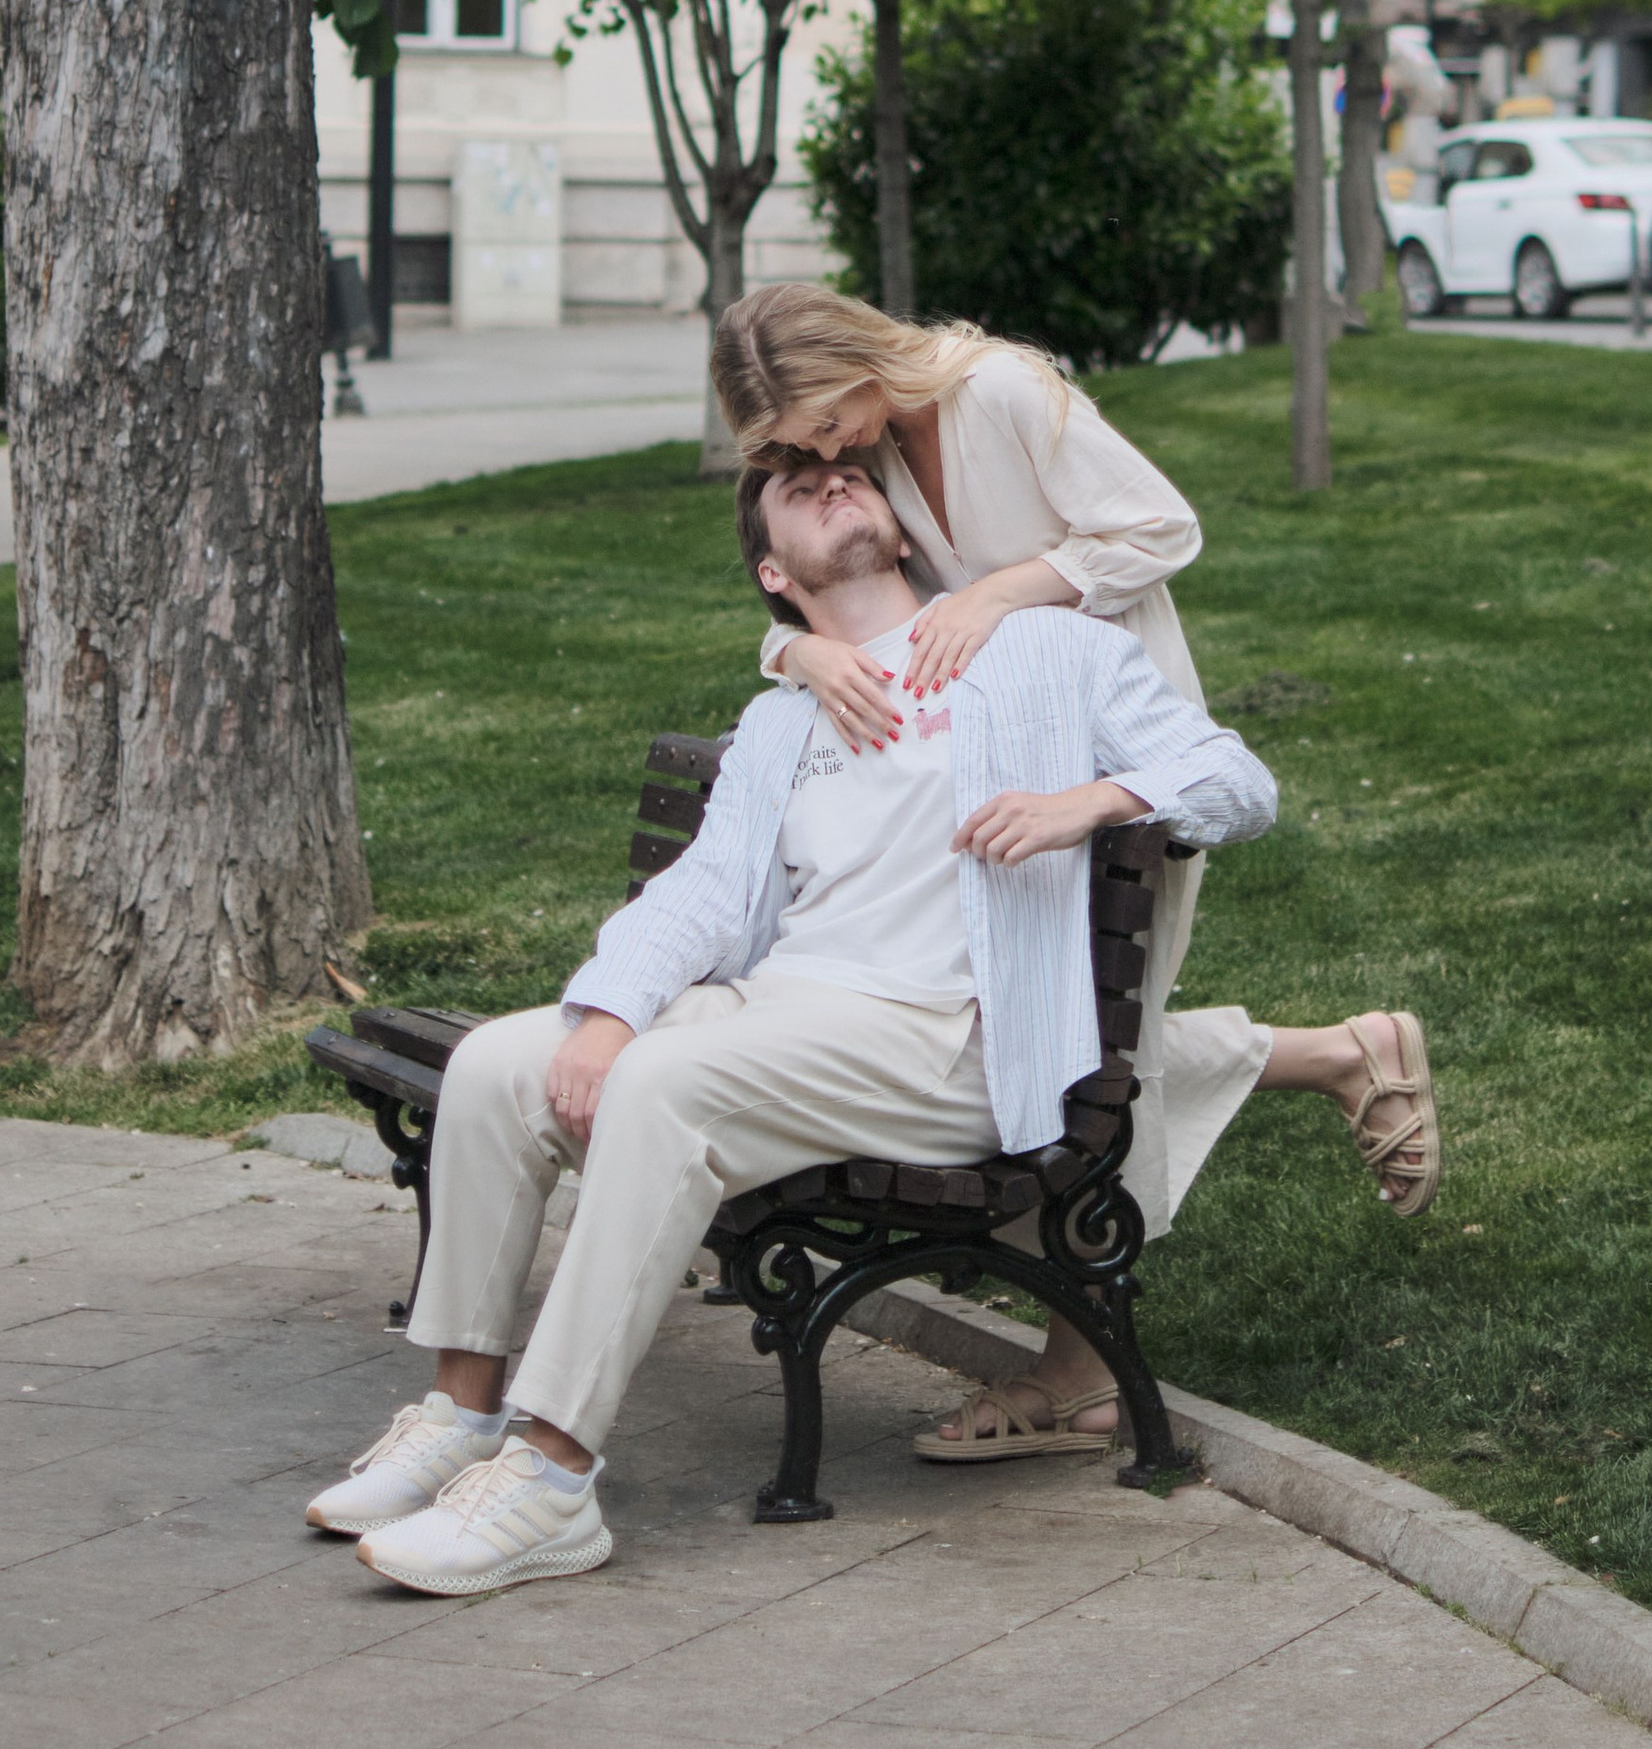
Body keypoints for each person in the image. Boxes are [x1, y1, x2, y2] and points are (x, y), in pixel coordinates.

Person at [302, 455, 1277, 1596]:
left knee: (667, 1089)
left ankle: (549, 1483)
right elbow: (704, 896)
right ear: (774, 571)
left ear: (899, 530)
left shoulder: (1046, 651)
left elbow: (1237, 777)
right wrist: (607, 1014)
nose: (831, 484)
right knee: (498, 1065)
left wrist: (1095, 801)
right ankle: (460, 1416)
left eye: (847, 473)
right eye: (798, 486)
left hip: (947, 1038)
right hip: (784, 1015)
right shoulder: (781, 716)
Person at [710, 279, 1439, 1460]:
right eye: (796, 447)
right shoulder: (877, 445)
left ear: (855, 359)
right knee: (1075, 1031)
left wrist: (1005, 589)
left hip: (1113, 753)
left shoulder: (993, 391)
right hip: (999, 767)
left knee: (1090, 1049)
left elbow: (1160, 527)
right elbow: (824, 582)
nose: (821, 451)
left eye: (819, 425)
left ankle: (1080, 1375)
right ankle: (1341, 1056)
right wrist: (791, 647)